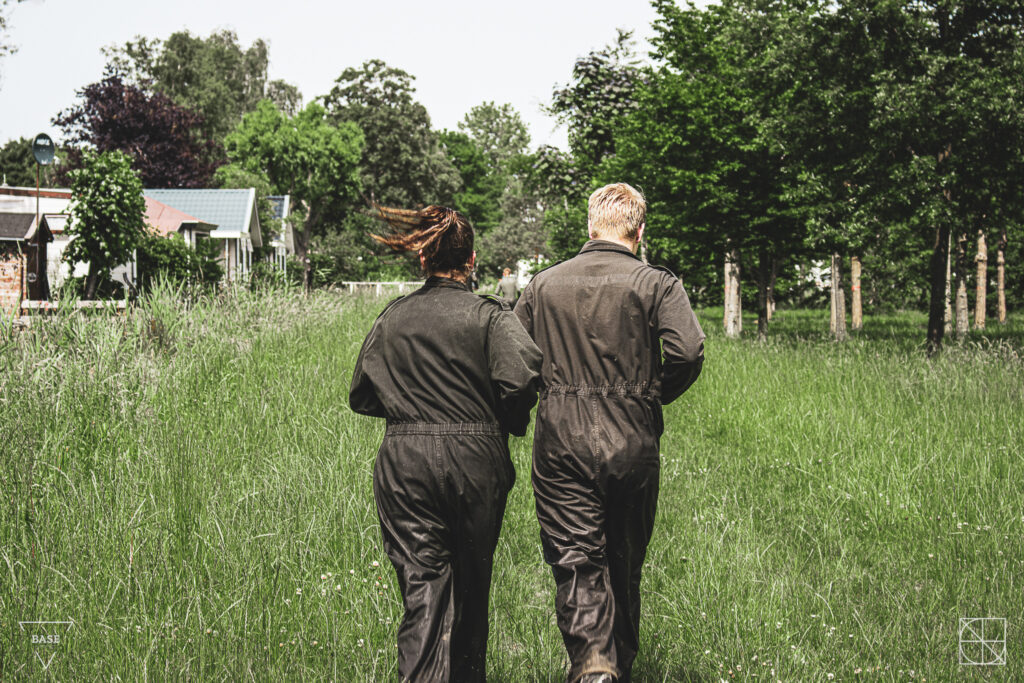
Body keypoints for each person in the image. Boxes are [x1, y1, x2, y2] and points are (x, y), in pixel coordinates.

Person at [514, 183, 705, 683]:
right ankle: (615, 663)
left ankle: (595, 665)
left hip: (561, 441)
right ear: (639, 231)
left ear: (590, 226)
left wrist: (534, 398)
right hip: (632, 440)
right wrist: (652, 395)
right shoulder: (658, 284)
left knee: (576, 558)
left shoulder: (542, 286)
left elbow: (513, 362)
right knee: (623, 559)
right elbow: (687, 352)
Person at [349, 205, 542, 682]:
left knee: (422, 591)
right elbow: (521, 380)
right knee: (472, 588)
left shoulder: (392, 317)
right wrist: (503, 423)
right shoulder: (490, 317)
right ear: (472, 260)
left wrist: (409, 412)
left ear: (422, 261)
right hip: (476, 459)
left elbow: (361, 394)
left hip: (405, 461)